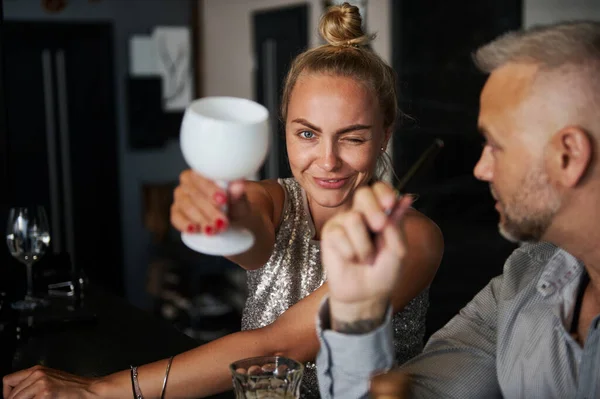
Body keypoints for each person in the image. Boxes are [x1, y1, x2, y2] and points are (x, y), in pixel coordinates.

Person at [2, 3, 443, 398]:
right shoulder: (275, 198)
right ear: (285, 127)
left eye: (352, 137)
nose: (327, 161)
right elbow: (249, 235)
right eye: (307, 134)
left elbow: (282, 342)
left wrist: (102, 392)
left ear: (385, 134)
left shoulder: (412, 237)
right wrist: (222, 220)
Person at [316, 20, 600, 399]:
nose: (481, 169)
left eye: (494, 145)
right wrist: (356, 312)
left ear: (568, 155)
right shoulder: (521, 282)